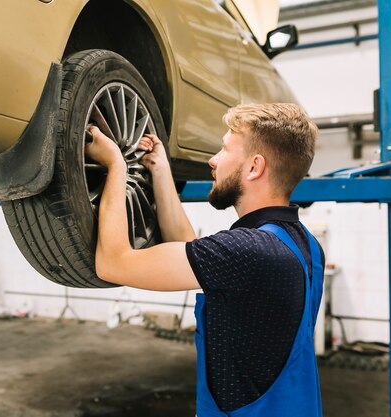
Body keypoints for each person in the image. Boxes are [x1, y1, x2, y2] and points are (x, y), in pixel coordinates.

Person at [84, 102, 324, 417]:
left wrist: (116, 164)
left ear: (254, 167)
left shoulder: (246, 251)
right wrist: (159, 170)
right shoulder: (304, 244)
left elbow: (113, 263)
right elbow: (192, 250)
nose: (213, 160)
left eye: (224, 150)